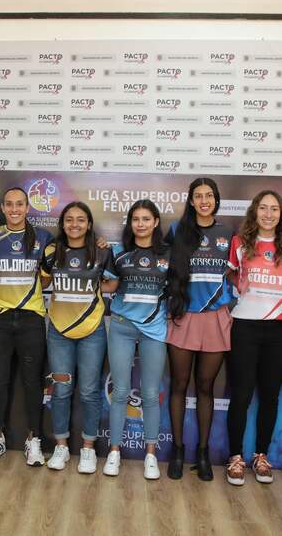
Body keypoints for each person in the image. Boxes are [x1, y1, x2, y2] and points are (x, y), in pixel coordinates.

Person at [224, 190, 282, 486]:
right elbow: (231, 275)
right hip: (245, 326)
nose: (269, 214)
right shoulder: (240, 243)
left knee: (270, 395)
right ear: (255, 212)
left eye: (275, 209)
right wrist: (239, 282)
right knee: (241, 395)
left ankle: (261, 455)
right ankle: (235, 457)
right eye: (263, 208)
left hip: (279, 328)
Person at [164, 177, 234, 481]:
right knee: (179, 384)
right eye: (198, 196)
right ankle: (177, 451)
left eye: (209, 196)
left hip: (215, 317)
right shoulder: (177, 231)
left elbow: (239, 272)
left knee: (205, 386)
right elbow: (152, 259)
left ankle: (202, 453)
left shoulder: (228, 233)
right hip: (183, 315)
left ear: (216, 200)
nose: (204, 201)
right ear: (191, 201)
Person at [0, 187, 54, 467]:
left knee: (32, 381)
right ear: (2, 206)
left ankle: (33, 439)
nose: (14, 209)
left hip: (31, 317)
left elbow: (46, 277)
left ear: (27, 207)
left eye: (19, 204)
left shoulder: (43, 237)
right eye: (9, 204)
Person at [41, 202, 113, 474]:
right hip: (59, 330)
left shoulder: (102, 251)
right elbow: (45, 282)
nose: (74, 224)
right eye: (69, 220)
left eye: (80, 220)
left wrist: (92, 289)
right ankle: (61, 446)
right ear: (62, 224)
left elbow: (113, 283)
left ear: (89, 224)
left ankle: (88, 449)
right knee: (61, 390)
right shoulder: (52, 251)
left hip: (92, 331)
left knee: (89, 391)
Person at [102, 200, 170, 480]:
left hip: (154, 329)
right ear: (130, 223)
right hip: (121, 326)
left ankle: (150, 454)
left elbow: (176, 289)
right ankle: (115, 452)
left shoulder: (169, 254)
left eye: (146, 219)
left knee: (151, 394)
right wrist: (95, 257)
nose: (140, 224)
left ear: (155, 222)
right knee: (119, 392)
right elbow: (108, 286)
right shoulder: (117, 252)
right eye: (135, 219)